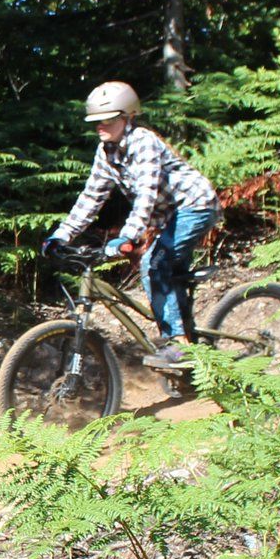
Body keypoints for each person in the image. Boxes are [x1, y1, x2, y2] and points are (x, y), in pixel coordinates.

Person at [42, 81, 221, 366]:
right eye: (96, 121)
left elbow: (146, 192)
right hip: (169, 216)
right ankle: (194, 355)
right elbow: (91, 198)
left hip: (195, 205)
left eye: (108, 119)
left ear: (128, 116)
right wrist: (61, 236)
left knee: (155, 263)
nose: (101, 125)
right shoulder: (106, 153)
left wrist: (129, 236)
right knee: (166, 270)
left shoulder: (143, 142)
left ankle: (179, 347)